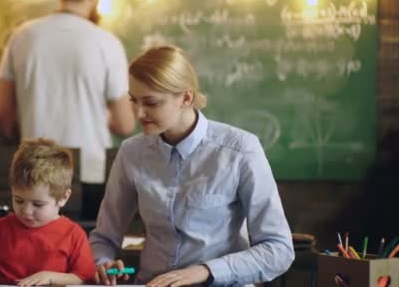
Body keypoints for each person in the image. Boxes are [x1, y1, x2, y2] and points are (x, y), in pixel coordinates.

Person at [89, 46, 294, 286]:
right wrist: (102, 262)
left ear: (186, 98)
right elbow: (103, 237)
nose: (138, 113)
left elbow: (279, 249)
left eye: (151, 102)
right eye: (133, 101)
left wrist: (206, 271)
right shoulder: (132, 152)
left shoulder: (240, 150)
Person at [0, 0, 135, 220]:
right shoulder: (106, 42)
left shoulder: (22, 37)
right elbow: (125, 124)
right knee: (86, 253)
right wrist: (94, 111)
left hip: (32, 175)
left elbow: (3, 116)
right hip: (91, 174)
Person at [0, 138, 96, 286]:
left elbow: (83, 278)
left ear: (63, 198)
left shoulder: (73, 234)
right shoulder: (1, 227)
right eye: (19, 200)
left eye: (38, 204)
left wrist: (51, 278)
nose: (26, 211)